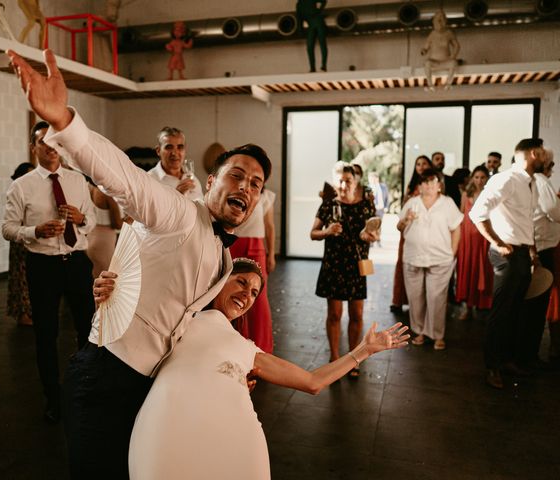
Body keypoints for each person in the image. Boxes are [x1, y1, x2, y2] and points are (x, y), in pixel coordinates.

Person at [5, 48, 272, 478]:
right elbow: (125, 178)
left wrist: (231, 370)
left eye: (255, 183)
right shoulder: (181, 213)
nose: (246, 186)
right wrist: (65, 124)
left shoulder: (224, 259)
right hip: (103, 374)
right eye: (236, 175)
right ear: (210, 182)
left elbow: (203, 326)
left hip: (150, 385)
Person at [128, 258, 410, 479]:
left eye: (253, 292)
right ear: (219, 282)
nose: (246, 295)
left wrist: (364, 351)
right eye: (240, 283)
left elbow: (312, 382)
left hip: (236, 437)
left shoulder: (248, 349)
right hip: (170, 425)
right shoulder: (181, 319)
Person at [2, 121, 97, 424]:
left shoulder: (78, 181)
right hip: (42, 265)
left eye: (55, 142)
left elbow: (91, 221)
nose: (51, 147)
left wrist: (81, 218)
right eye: (43, 142)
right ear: (34, 147)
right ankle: (53, 399)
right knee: (46, 335)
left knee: (88, 329)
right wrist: (34, 231)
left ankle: (85, 390)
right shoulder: (22, 186)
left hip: (77, 261)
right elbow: (7, 229)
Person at [469, 138, 546, 389]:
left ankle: (507, 360)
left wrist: (532, 250)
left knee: (516, 312)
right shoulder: (506, 179)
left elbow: (527, 221)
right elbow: (477, 213)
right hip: (507, 255)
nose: (545, 156)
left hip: (523, 254)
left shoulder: (530, 182)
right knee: (502, 312)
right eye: (543, 152)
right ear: (533, 153)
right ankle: (492, 366)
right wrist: (498, 244)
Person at [311, 163, 378, 376]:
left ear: (355, 182)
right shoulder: (328, 205)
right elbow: (313, 233)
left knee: (357, 314)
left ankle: (353, 358)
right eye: (340, 180)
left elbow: (373, 233)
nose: (343, 184)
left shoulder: (366, 206)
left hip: (356, 267)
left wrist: (372, 237)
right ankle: (334, 356)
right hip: (334, 265)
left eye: (347, 180)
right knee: (334, 314)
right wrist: (328, 231)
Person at [398, 168, 463, 350]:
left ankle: (437, 334)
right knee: (415, 297)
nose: (428, 185)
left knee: (436, 298)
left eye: (432, 182)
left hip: (440, 258)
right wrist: (406, 220)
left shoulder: (447, 203)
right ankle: (419, 331)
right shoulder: (412, 202)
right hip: (413, 257)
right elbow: (399, 226)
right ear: (420, 185)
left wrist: (452, 252)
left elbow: (456, 228)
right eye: (424, 182)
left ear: (439, 185)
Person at [229, 189, 277, 353]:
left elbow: (269, 226)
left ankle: (261, 347)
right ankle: (233, 344)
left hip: (256, 246)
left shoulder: (266, 196)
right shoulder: (233, 191)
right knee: (230, 293)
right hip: (232, 244)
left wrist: (271, 254)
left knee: (259, 298)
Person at [524, 149, 560, 367]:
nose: (552, 167)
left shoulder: (533, 181)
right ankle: (529, 356)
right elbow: (553, 212)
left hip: (540, 246)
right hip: (542, 249)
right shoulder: (541, 182)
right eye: (551, 163)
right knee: (536, 307)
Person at [390, 155, 432, 313]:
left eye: (424, 164)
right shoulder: (411, 186)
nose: (421, 167)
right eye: (418, 164)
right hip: (408, 227)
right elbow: (403, 208)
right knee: (403, 263)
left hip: (425, 230)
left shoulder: (432, 186)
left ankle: (422, 303)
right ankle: (399, 300)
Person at [456, 165, 492, 319]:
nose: (479, 180)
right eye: (476, 177)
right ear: (472, 178)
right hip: (468, 237)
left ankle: (483, 304)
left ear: (487, 178)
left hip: (484, 237)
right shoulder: (466, 194)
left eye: (482, 177)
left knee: (482, 268)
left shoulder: (490, 194)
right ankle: (468, 307)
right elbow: (461, 213)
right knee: (468, 269)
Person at [6, 163, 35, 326]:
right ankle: (23, 313)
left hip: (30, 238)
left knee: (27, 277)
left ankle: (27, 312)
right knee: (20, 277)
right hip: (21, 239)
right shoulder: (17, 189)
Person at [148, 126, 203, 200]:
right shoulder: (150, 180)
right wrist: (176, 196)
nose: (174, 153)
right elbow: (150, 211)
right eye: (169, 147)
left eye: (180, 147)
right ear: (158, 151)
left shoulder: (193, 178)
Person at [86, 178, 123, 278]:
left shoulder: (91, 189)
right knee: (108, 278)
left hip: (91, 235)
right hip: (104, 240)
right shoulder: (107, 194)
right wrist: (132, 218)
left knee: (96, 277)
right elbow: (117, 224)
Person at [421, 9, 460, 90]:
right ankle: (430, 85)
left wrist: (453, 56)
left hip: (445, 61)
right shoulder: (432, 34)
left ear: (445, 21)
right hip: (434, 62)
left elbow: (456, 46)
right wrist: (423, 51)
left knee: (453, 63)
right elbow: (426, 47)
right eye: (437, 20)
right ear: (434, 22)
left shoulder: (449, 33)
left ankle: (448, 84)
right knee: (427, 63)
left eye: (441, 19)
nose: (439, 22)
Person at [296, 0, 328, 72]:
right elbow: (299, 18)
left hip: (318, 21)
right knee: (310, 47)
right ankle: (312, 67)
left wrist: (319, 11)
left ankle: (323, 65)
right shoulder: (299, 4)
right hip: (311, 24)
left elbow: (324, 1)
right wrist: (300, 29)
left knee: (322, 43)